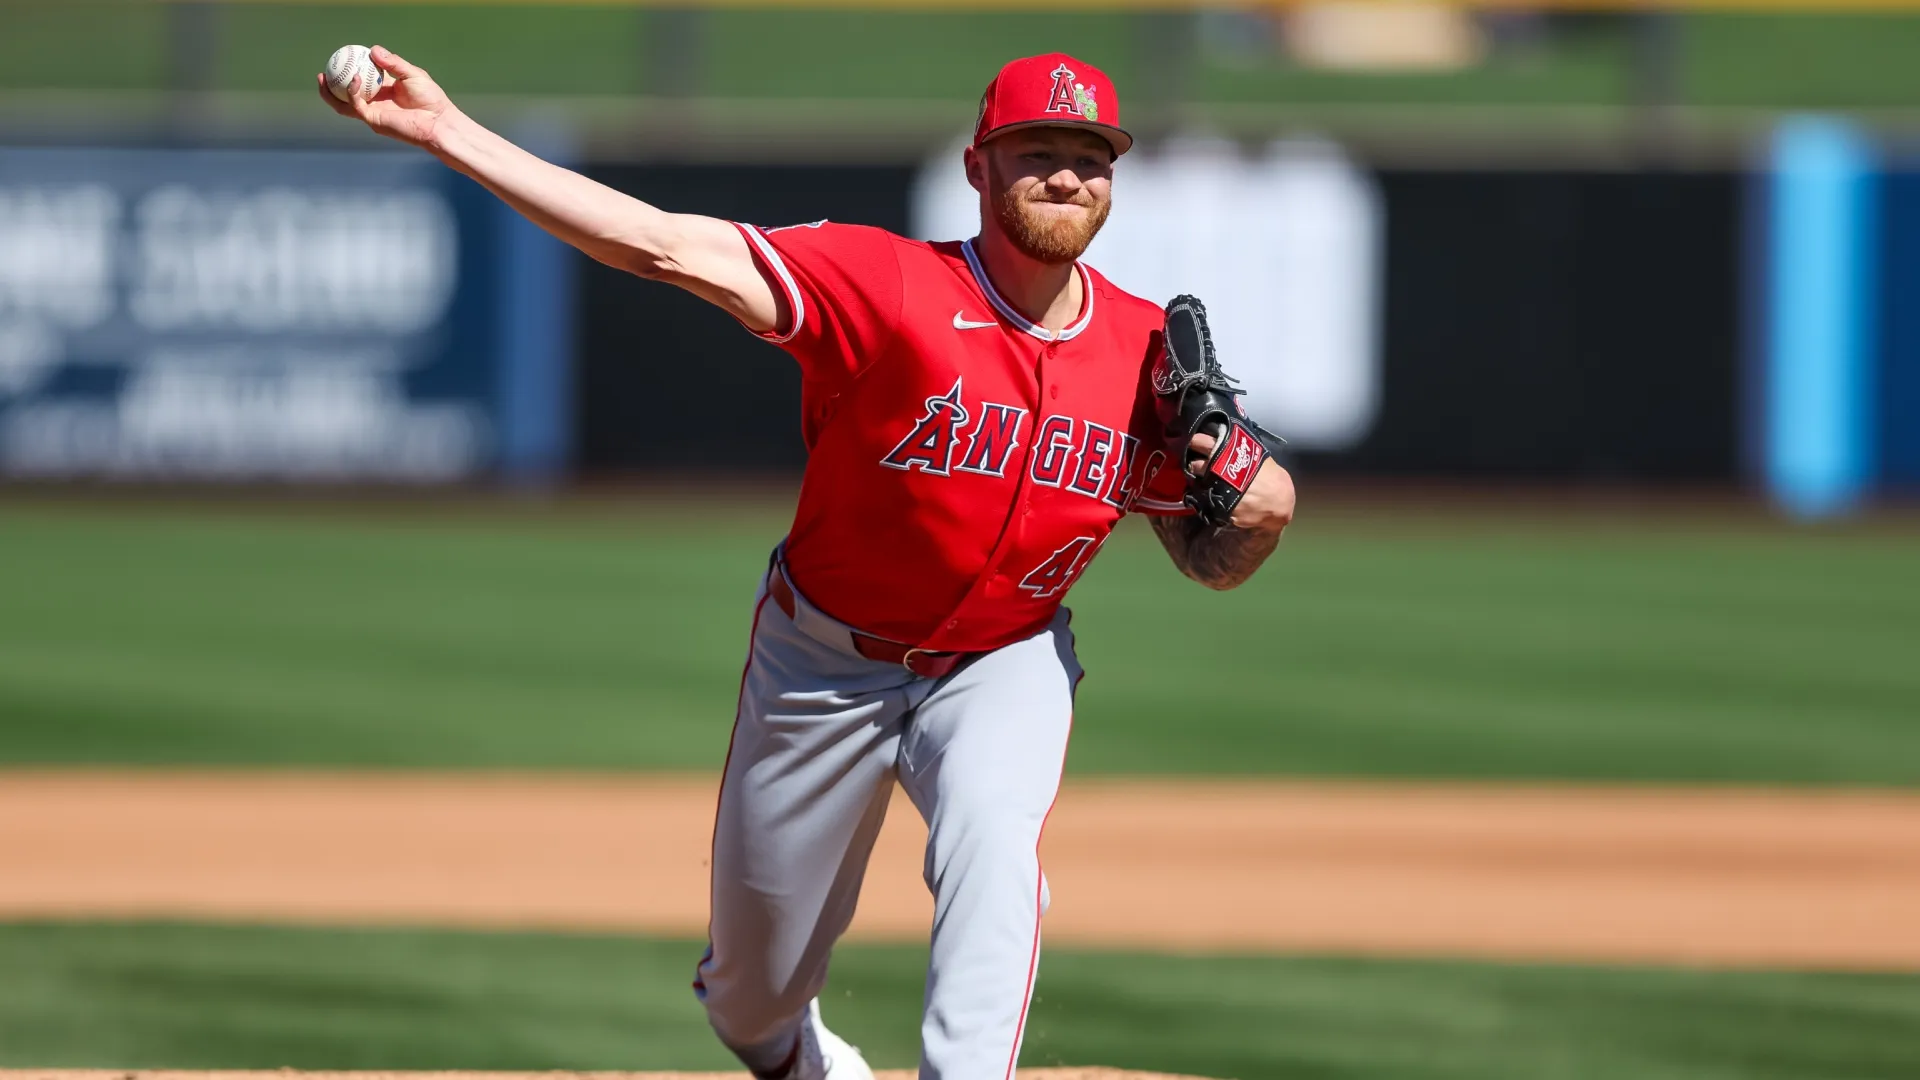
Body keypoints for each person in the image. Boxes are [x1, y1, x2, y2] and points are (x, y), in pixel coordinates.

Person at [319, 47, 1294, 1080]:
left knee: (995, 849)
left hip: (1000, 661)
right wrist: (448, 132)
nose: (1066, 175)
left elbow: (1210, 555)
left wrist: (1261, 515)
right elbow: (659, 245)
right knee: (751, 995)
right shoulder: (888, 286)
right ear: (977, 167)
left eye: (1090, 156)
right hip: (823, 662)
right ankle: (801, 1060)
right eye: (1035, 151)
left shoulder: (1146, 356)